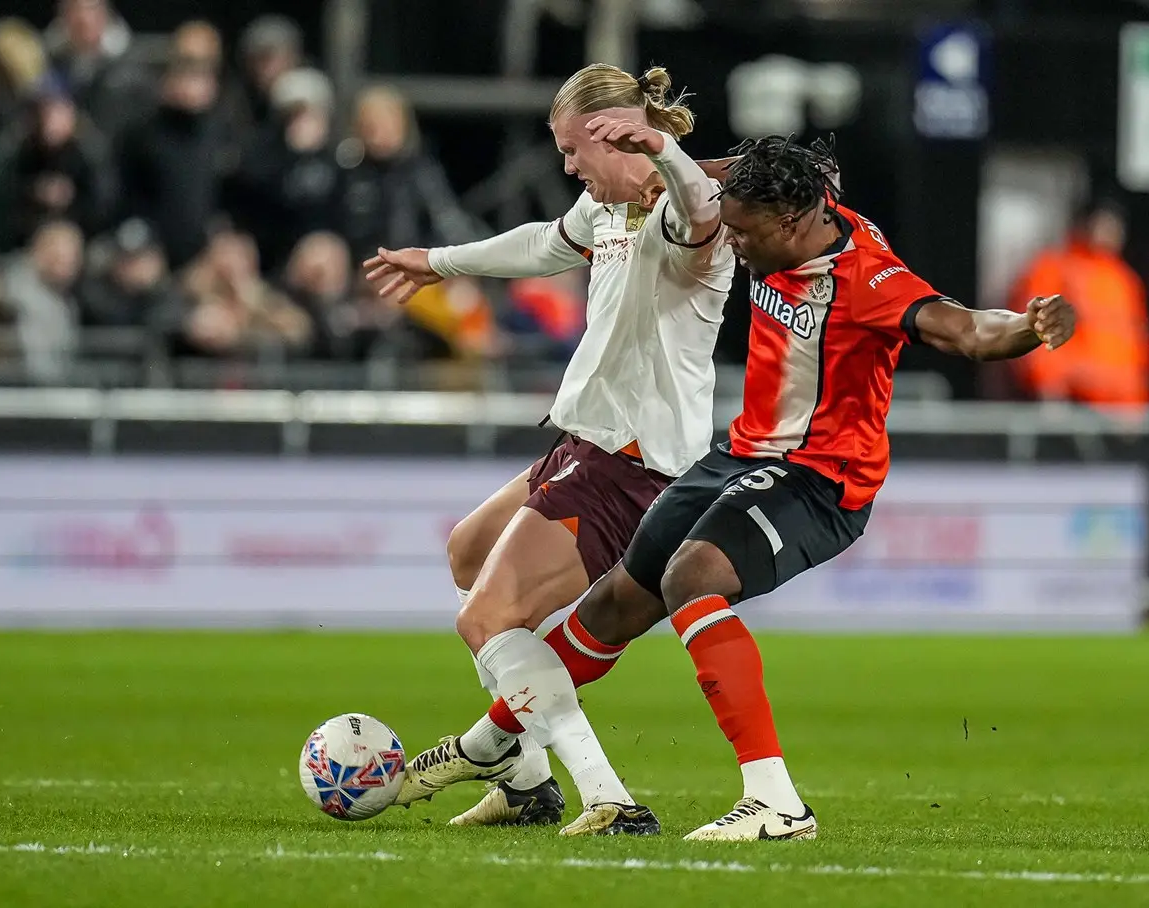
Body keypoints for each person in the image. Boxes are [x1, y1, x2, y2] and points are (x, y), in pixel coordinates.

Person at [402, 135, 1076, 841]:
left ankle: (777, 803)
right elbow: (749, 174)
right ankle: (490, 744)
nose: (737, 247)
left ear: (789, 222)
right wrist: (657, 160)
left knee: (693, 576)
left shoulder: (868, 279)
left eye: (746, 234)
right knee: (612, 606)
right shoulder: (792, 199)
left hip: (820, 479)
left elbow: (967, 330)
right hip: (741, 453)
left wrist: (1028, 327)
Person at [364, 63, 735, 836]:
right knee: (469, 553)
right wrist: (436, 262)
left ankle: (609, 796)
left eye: (574, 150)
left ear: (618, 137)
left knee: (488, 617)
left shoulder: (676, 211)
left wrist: (662, 150)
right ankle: (527, 781)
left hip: (630, 460)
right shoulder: (605, 212)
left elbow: (701, 213)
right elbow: (542, 244)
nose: (568, 165)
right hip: (589, 445)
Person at [1007, 196, 1149, 408]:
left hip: (1117, 410)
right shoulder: (1054, 268)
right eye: (1103, 223)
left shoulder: (1124, 280)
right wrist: (1049, 386)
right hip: (1072, 402)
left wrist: (1135, 406)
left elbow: (1135, 346)